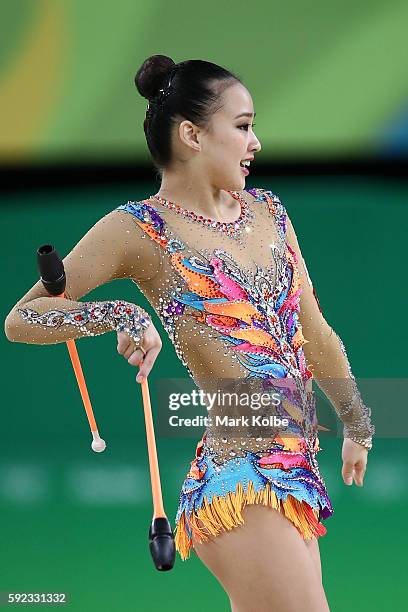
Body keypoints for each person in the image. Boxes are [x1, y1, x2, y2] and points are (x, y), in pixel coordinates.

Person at [4, 55, 375, 612]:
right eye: (244, 126)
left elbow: (316, 331)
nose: (257, 143)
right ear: (192, 134)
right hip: (241, 480)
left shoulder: (269, 212)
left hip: (297, 473)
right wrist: (120, 316)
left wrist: (357, 420)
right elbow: (21, 319)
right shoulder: (137, 228)